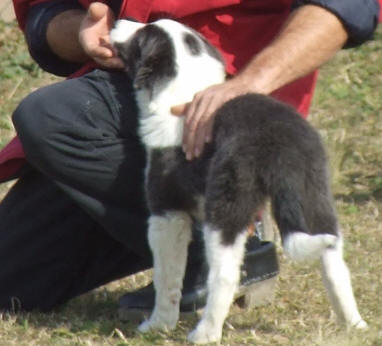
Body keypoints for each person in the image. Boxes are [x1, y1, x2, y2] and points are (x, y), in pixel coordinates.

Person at [0, 0, 379, 317]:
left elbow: (345, 4)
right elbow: (44, 11)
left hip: (231, 96)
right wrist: (80, 31)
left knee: (54, 118)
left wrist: (248, 85)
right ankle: (191, 237)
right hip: (125, 105)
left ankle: (224, 245)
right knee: (8, 280)